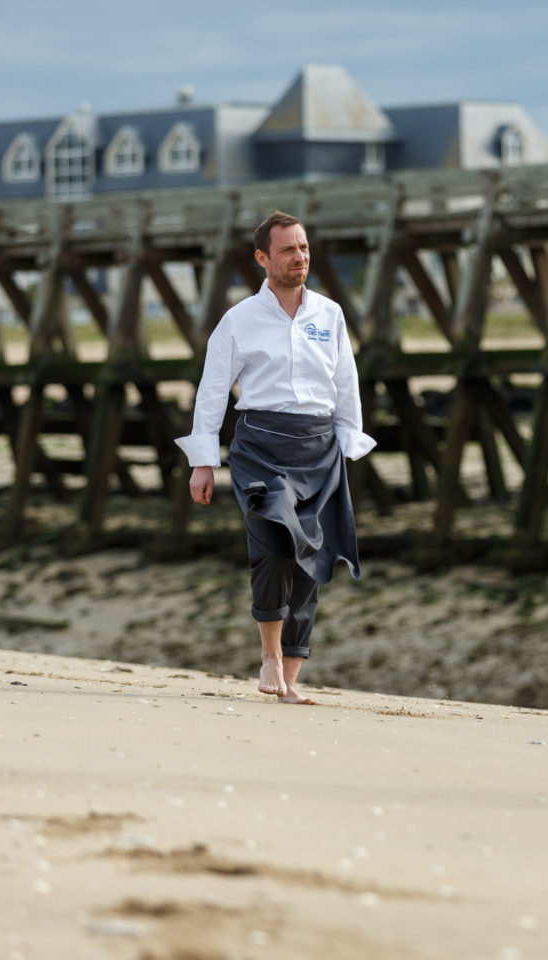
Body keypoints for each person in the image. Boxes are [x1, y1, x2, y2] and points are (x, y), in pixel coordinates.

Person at [175, 211, 375, 704]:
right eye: (288, 250)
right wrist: (204, 460)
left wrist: (350, 440)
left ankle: (290, 677)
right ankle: (268, 655)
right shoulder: (238, 319)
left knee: (313, 561)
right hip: (261, 446)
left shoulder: (329, 315)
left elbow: (344, 380)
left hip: (318, 445)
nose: (299, 257)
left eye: (304, 248)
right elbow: (213, 390)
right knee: (273, 548)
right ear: (263, 258)